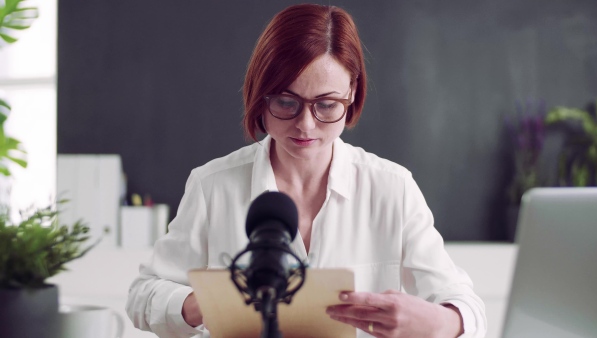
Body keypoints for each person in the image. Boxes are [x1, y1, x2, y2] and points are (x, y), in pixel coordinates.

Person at [126, 4, 486, 338]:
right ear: (260, 95)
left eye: (327, 105)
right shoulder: (212, 186)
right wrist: (203, 303)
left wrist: (437, 322)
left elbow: (469, 309)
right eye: (286, 102)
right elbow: (142, 296)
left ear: (352, 95)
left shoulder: (392, 188)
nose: (306, 126)